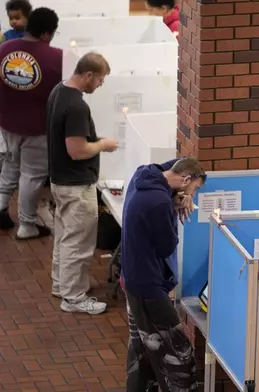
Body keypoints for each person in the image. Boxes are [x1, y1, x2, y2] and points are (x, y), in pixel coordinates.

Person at [121, 157, 205, 391]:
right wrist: (174, 206)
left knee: (142, 348)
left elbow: (176, 163)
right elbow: (167, 245)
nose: (193, 196)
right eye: (194, 189)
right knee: (179, 354)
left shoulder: (143, 174)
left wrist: (180, 192)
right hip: (148, 287)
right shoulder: (159, 202)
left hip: (131, 278)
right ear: (186, 179)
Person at [47, 52, 118, 314]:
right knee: (78, 243)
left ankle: (61, 285)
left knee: (65, 238)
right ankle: (74, 297)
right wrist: (103, 145)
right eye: (99, 80)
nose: (99, 85)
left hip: (60, 181)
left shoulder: (58, 91)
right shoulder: (77, 106)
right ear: (88, 75)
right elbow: (76, 150)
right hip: (77, 186)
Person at [0, 7, 61, 239]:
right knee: (32, 175)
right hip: (38, 129)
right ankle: (27, 225)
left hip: (7, 122)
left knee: (11, 165)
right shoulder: (56, 57)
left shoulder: (4, 49)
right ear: (46, 34)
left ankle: (1, 206)